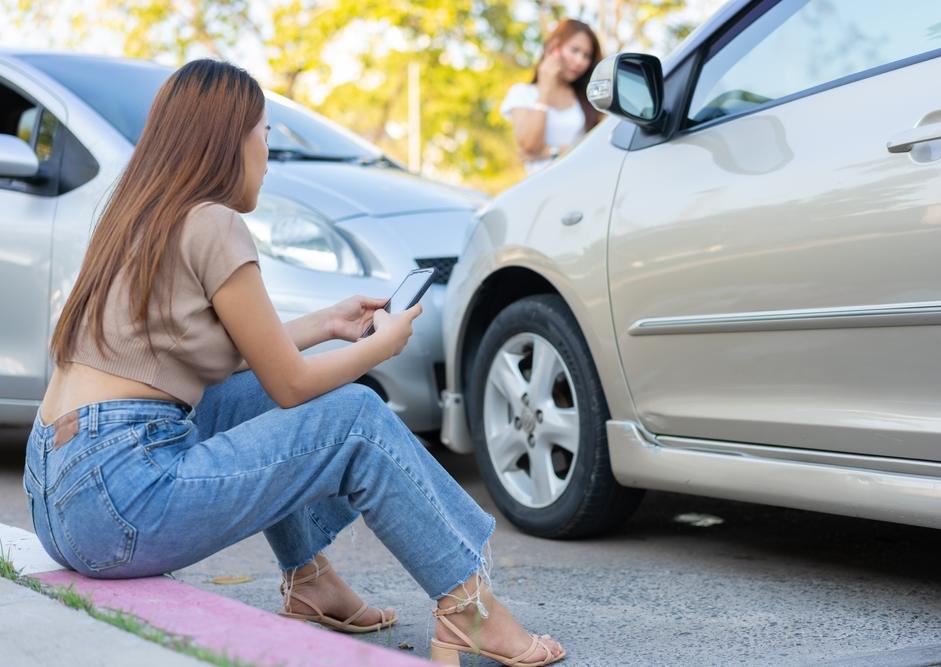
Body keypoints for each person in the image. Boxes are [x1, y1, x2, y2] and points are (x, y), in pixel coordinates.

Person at [23, 59, 564, 667]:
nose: (268, 152)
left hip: (57, 491)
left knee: (267, 399)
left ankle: (310, 581)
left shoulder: (134, 215)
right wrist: (379, 347)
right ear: (230, 141)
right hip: (119, 504)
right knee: (354, 417)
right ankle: (469, 607)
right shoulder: (213, 221)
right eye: (265, 134)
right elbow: (291, 385)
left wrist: (327, 325)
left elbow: (231, 360)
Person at [501, 19, 603, 175]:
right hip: (540, 188)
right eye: (574, 50)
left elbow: (598, 147)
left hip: (580, 182)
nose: (580, 61)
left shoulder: (589, 99)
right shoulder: (522, 94)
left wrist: (551, 152)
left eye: (586, 56)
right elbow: (530, 147)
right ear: (553, 49)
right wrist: (545, 91)